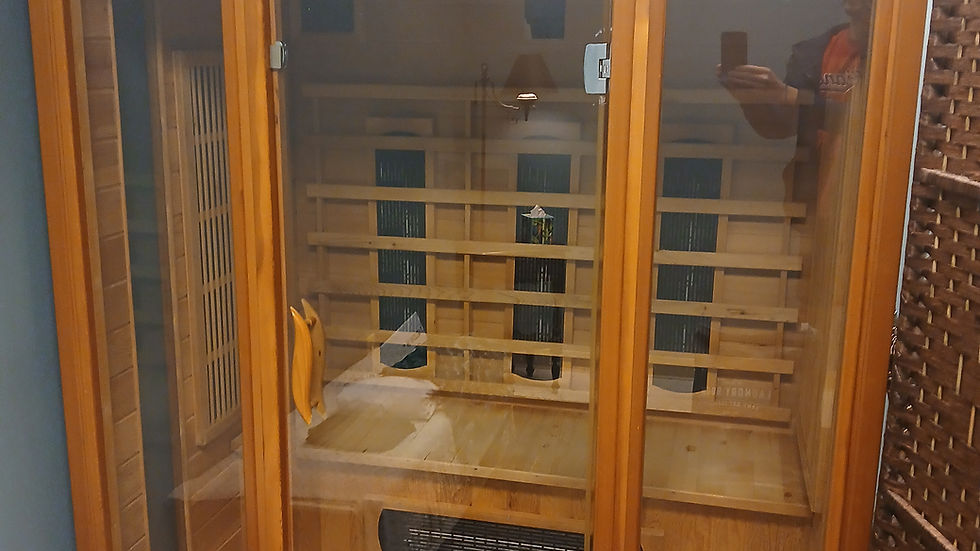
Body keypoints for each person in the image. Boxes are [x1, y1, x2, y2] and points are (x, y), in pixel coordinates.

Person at [717, 0, 872, 197]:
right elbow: (781, 127)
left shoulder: (896, 60)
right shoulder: (813, 52)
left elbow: (869, 121)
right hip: (812, 201)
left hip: (869, 196)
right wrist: (748, 98)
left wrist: (788, 95)